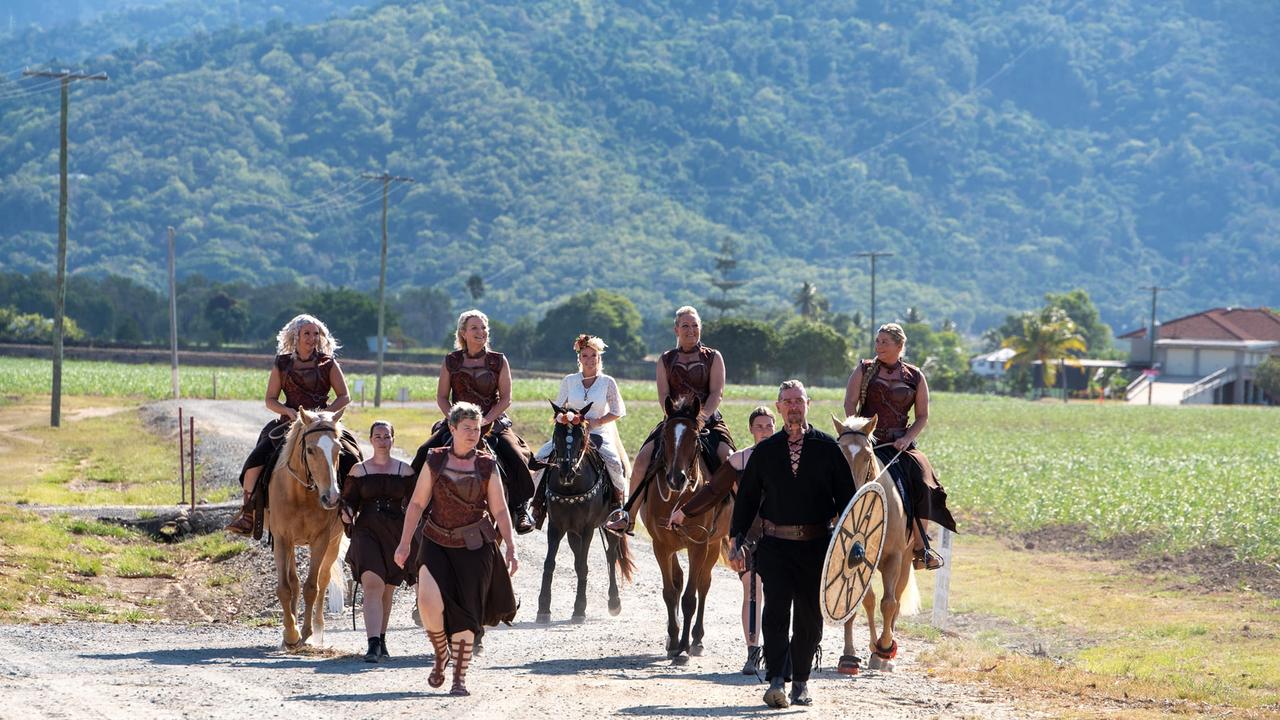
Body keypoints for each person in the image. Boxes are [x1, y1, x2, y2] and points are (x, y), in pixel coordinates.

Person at [731, 380, 854, 708]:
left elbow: (849, 502)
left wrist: (853, 545)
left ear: (807, 404)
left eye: (799, 400)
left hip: (817, 547)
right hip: (775, 545)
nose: (794, 406)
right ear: (779, 407)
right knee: (775, 613)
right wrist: (737, 538)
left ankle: (800, 681)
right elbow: (746, 498)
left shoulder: (829, 448)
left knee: (810, 619)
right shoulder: (766, 451)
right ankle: (776, 679)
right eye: (787, 401)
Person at [394, 402, 519, 696]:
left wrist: (511, 547)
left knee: (467, 615)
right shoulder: (434, 460)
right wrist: (403, 543)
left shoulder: (487, 464)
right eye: (467, 429)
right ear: (452, 429)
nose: (473, 434)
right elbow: (416, 503)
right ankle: (440, 653)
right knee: (427, 601)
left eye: (477, 429)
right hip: (436, 542)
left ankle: (459, 678)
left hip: (475, 549)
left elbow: (500, 510)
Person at [606, 305, 734, 532]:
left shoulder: (714, 357)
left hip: (708, 421)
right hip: (674, 422)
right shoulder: (665, 359)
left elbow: (717, 393)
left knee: (729, 459)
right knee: (642, 461)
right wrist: (675, 420)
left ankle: (740, 524)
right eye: (685, 325)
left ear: (700, 328)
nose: (691, 330)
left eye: (695, 325)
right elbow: (664, 396)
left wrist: (700, 418)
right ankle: (629, 517)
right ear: (676, 330)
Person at [668, 406, 774, 676]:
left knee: (783, 597)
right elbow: (713, 490)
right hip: (750, 537)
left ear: (775, 427)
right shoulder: (739, 461)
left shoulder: (789, 456)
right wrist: (684, 511)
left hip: (785, 537)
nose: (763, 431)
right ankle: (753, 652)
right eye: (758, 426)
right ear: (750, 429)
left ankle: (782, 651)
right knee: (752, 589)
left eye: (768, 426)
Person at [411, 310, 538, 534]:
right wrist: (454, 420)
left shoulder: (498, 360)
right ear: (463, 333)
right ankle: (412, 506)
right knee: (424, 452)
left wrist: (487, 419)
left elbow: (506, 398)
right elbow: (441, 396)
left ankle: (520, 508)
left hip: (492, 422)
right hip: (456, 423)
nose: (481, 332)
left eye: (484, 328)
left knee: (516, 456)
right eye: (475, 328)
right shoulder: (451, 360)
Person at [842, 323, 956, 570]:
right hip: (866, 443)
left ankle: (921, 547)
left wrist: (906, 438)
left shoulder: (915, 376)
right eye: (877, 341)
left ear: (899, 346)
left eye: (884, 342)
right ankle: (829, 532)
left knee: (924, 480)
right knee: (835, 474)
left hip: (899, 445)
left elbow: (923, 416)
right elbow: (849, 403)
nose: (878, 346)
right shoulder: (864, 369)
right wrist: (859, 432)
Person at [226, 314, 352, 535]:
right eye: (307, 334)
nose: (312, 338)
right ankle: (248, 513)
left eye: (315, 334)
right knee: (255, 461)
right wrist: (287, 411)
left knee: (352, 456)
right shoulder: (282, 363)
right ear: (296, 336)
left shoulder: (328, 363)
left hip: (321, 424)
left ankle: (351, 510)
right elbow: (270, 400)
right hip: (289, 422)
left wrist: (324, 417)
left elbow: (344, 396)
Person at [530, 334, 629, 528]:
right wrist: (564, 417)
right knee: (541, 456)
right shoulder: (569, 380)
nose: (590, 360)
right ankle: (535, 506)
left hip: (597, 433)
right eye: (585, 355)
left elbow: (618, 411)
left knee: (615, 462)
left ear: (599, 358)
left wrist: (597, 421)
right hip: (570, 433)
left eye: (594, 355)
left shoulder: (607, 382)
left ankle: (619, 508)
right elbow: (558, 406)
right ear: (579, 358)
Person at [340, 421, 417, 662]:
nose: (382, 440)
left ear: (393, 439)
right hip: (367, 531)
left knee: (387, 590)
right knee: (373, 585)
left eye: (386, 436)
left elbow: (416, 504)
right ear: (371, 440)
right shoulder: (358, 471)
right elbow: (348, 501)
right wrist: (347, 512)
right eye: (378, 436)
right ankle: (372, 644)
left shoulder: (405, 471)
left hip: (395, 532)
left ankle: (382, 639)